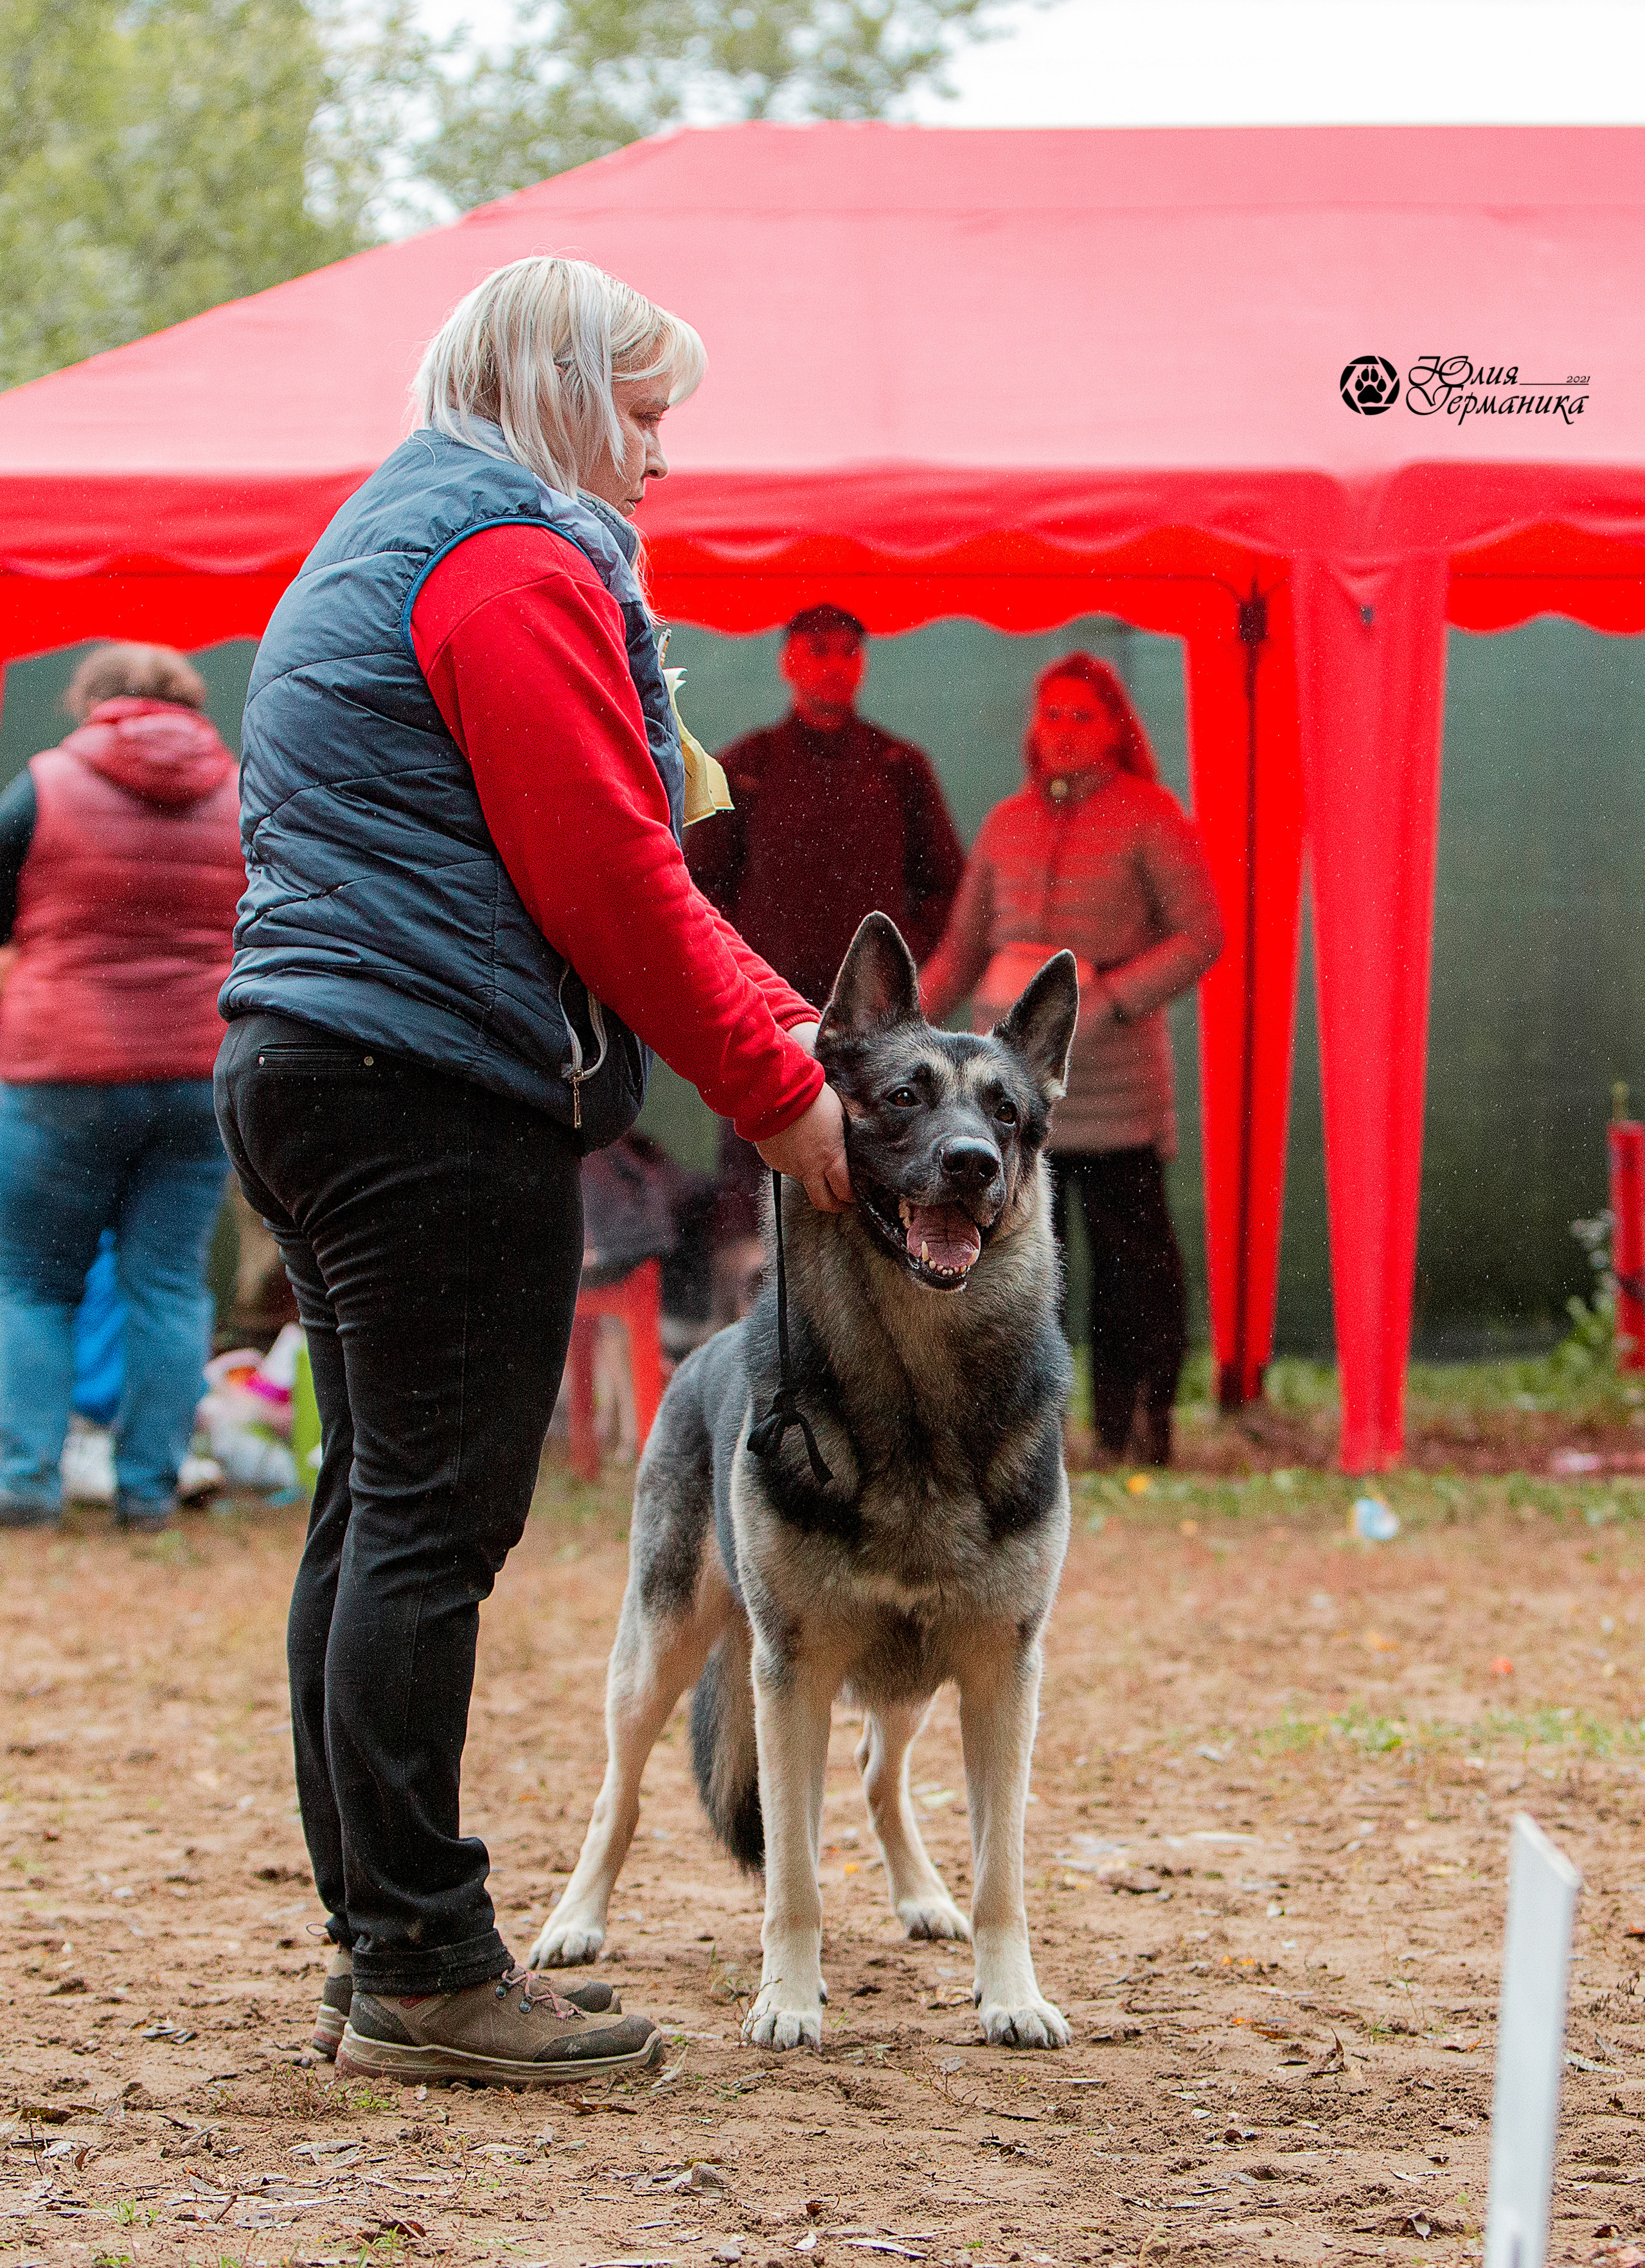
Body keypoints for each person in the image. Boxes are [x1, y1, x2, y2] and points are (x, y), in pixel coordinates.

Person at [212, 255, 851, 2091]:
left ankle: (381, 1941)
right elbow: (612, 881)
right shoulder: (510, 566)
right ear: (567, 397)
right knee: (428, 1522)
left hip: (313, 1063)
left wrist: (797, 1038)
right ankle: (422, 1964)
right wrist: (782, 1098)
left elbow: (615, 872)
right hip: (425, 1085)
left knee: (371, 1510)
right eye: (648, 414)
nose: (665, 456)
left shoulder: (399, 532)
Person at [920, 653, 1223, 1467]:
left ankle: (1140, 1427)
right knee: (1020, 1276)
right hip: (1011, 1109)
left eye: (1081, 715)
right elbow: (958, 952)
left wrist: (1112, 996)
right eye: (1050, 714)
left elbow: (1200, 936)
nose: (1061, 732)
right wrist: (900, 1028)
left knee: (1134, 1270)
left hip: (1117, 1092)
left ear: (1117, 728)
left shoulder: (1151, 815)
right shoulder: (1005, 823)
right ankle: (1030, 1438)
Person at [0, 643, 243, 1531]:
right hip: (196, 1070)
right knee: (168, 1285)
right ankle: (148, 1491)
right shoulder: (241, 792)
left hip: (62, 1068)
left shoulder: (45, 785)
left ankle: (26, 1481)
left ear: (94, 703)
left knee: (31, 1283)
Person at [686, 603, 965, 1233]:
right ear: (788, 660)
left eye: (848, 651)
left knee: (875, 1179)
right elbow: (696, 891)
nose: (834, 665)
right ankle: (756, 1316)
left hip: (877, 1032)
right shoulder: (747, 767)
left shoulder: (899, 768)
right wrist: (744, 973)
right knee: (758, 1189)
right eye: (819, 650)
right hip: (764, 1024)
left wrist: (904, 969)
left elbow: (949, 888)